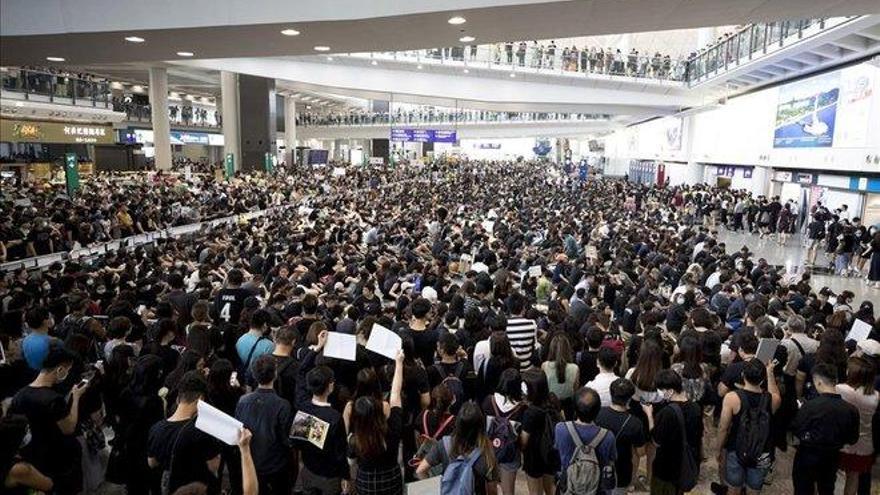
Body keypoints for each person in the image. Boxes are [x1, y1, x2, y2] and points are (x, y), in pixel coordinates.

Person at [10, 344, 87, 495]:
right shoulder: (53, 400)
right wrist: (76, 397)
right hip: (58, 459)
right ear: (60, 369)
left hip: (33, 455)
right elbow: (68, 427)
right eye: (68, 370)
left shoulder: (20, 394)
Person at [790, 362, 860, 495]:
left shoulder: (810, 406)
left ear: (819, 382)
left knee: (803, 488)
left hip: (807, 455)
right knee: (827, 488)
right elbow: (852, 439)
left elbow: (797, 429)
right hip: (832, 457)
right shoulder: (851, 410)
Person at [147, 371, 222, 494]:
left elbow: (152, 462)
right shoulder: (202, 431)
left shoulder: (156, 429)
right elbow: (213, 466)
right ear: (200, 399)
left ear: (178, 399)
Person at [294, 330, 350, 494]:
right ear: (330, 386)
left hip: (307, 469)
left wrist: (317, 348)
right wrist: (346, 475)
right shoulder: (334, 417)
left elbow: (301, 371)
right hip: (329, 476)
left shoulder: (301, 403)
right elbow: (340, 453)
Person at [716, 359, 781, 495]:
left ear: (743, 376)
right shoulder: (773, 400)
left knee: (734, 488)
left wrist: (719, 449)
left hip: (736, 448)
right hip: (762, 451)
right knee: (754, 489)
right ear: (763, 380)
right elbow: (775, 392)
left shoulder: (732, 398)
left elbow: (723, 428)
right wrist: (769, 372)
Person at [348, 348, 405, 495]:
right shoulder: (393, 430)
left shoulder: (355, 440)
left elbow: (351, 462)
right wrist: (399, 364)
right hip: (391, 479)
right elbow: (395, 393)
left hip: (366, 481)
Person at [235, 355, 293, 495]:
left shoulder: (243, 401)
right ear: (275, 374)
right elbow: (286, 439)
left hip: (251, 461)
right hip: (276, 465)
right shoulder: (283, 405)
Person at [415, 400, 499, 494]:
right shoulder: (487, 452)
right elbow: (492, 490)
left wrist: (434, 490)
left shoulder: (444, 444)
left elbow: (420, 471)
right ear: (481, 426)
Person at [641, 369, 702, 495]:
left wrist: (649, 415)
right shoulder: (695, 408)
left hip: (666, 468)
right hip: (685, 465)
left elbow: (656, 441)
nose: (660, 393)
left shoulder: (666, 413)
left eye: (661, 390)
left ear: (670, 391)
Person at [553, 387, 617, 494]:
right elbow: (611, 461)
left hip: (568, 486)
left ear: (575, 409)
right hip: (597, 489)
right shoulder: (608, 436)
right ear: (598, 410)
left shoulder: (561, 428)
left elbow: (557, 451)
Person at [835, 356, 878, 495]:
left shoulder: (841, 390)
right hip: (863, 445)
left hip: (840, 441)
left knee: (828, 474)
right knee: (853, 478)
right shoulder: (876, 397)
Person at [596, 378, 647, 495]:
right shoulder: (635, 423)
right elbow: (641, 452)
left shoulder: (598, 413)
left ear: (611, 394)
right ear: (630, 398)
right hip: (622, 472)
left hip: (599, 467)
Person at [521, 370, 560, 495]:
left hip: (534, 456)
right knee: (550, 488)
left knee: (535, 491)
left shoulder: (530, 413)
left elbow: (524, 441)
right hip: (551, 452)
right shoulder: (553, 400)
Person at [541, 334, 579, 419]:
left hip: (551, 406)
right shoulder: (575, 368)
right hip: (569, 406)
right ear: (568, 349)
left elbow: (544, 388)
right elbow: (575, 390)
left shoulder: (545, 365)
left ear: (551, 349)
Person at [506, 293, 538, 371]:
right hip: (528, 368)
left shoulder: (505, 325)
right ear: (523, 308)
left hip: (511, 369)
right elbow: (534, 345)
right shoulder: (532, 324)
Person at [21, 306, 54, 371]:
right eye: (50, 317)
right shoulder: (49, 342)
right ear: (45, 321)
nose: (52, 319)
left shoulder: (26, 340)